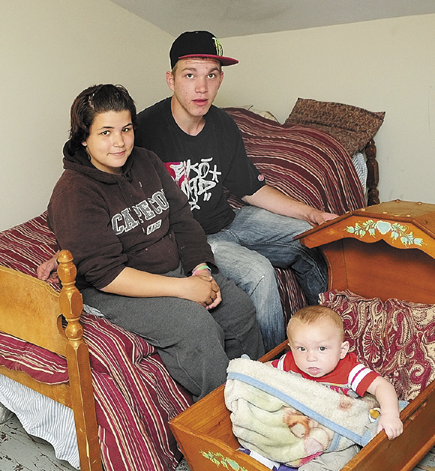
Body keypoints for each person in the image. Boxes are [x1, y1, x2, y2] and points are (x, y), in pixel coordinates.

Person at [46, 83, 264, 400]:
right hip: (116, 288)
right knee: (197, 327)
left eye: (126, 129)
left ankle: (258, 394)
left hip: (170, 266)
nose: (119, 142)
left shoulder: (146, 161)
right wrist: (183, 289)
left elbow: (181, 219)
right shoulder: (74, 192)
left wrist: (201, 271)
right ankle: (222, 418)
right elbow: (105, 274)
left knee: (238, 309)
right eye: (105, 132)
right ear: (84, 137)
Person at [135, 30, 338, 352]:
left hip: (231, 220)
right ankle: (270, 372)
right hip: (194, 240)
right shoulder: (144, 130)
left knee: (309, 237)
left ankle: (329, 335)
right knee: (259, 273)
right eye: (190, 75)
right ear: (171, 80)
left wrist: (310, 213)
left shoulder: (224, 125)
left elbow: (251, 188)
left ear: (220, 79)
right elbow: (104, 186)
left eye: (211, 75)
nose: (201, 87)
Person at [268, 305, 403, 471]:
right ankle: (266, 457)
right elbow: (263, 374)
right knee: (272, 425)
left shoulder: (349, 371)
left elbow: (382, 386)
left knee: (350, 449)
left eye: (322, 348)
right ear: (290, 348)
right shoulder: (290, 362)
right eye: (301, 348)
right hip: (300, 426)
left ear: (342, 350)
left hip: (335, 432)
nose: (311, 357)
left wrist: (390, 414)